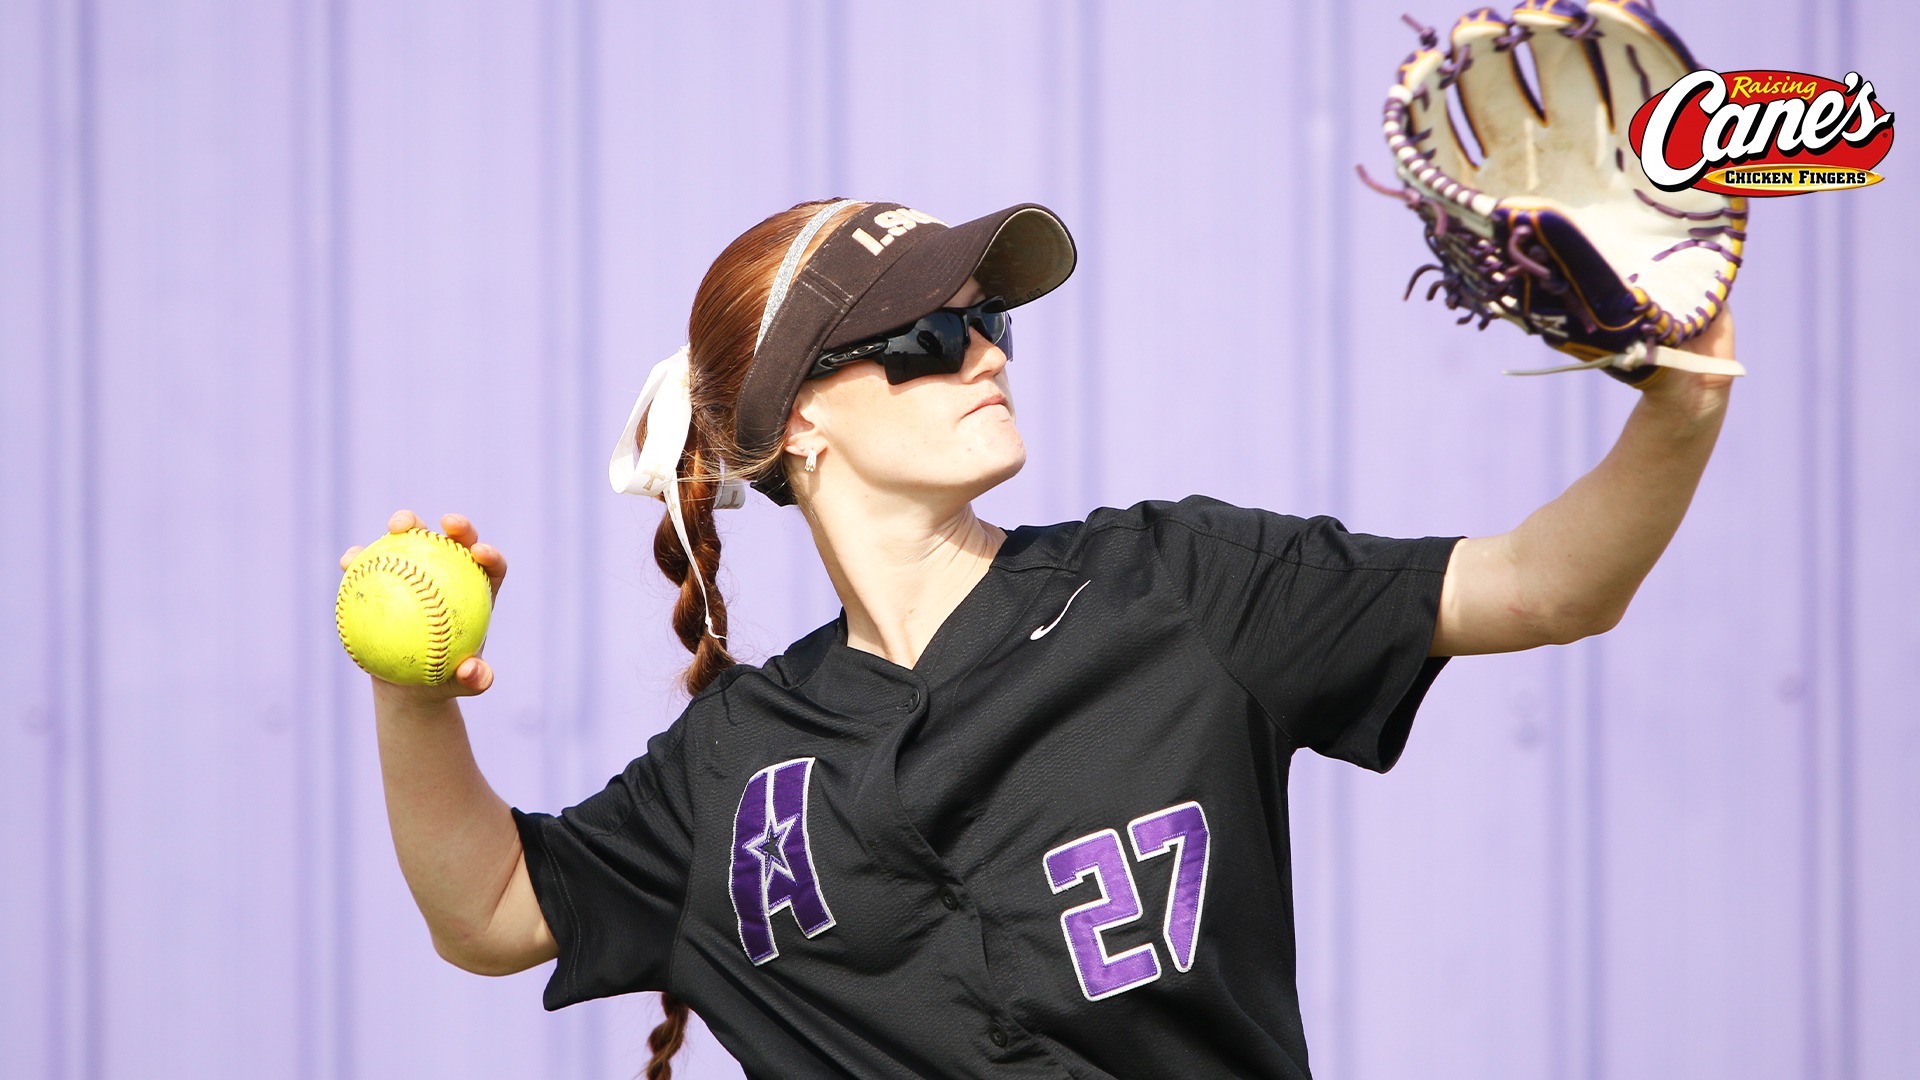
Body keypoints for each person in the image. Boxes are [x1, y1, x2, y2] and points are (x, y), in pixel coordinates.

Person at [342, 197, 1735, 1079]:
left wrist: (1680, 403)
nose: (989, 351)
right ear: (799, 421)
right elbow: (488, 912)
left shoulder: (1179, 586)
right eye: (927, 336)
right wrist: (415, 696)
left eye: (990, 318)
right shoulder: (734, 767)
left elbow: (1548, 585)